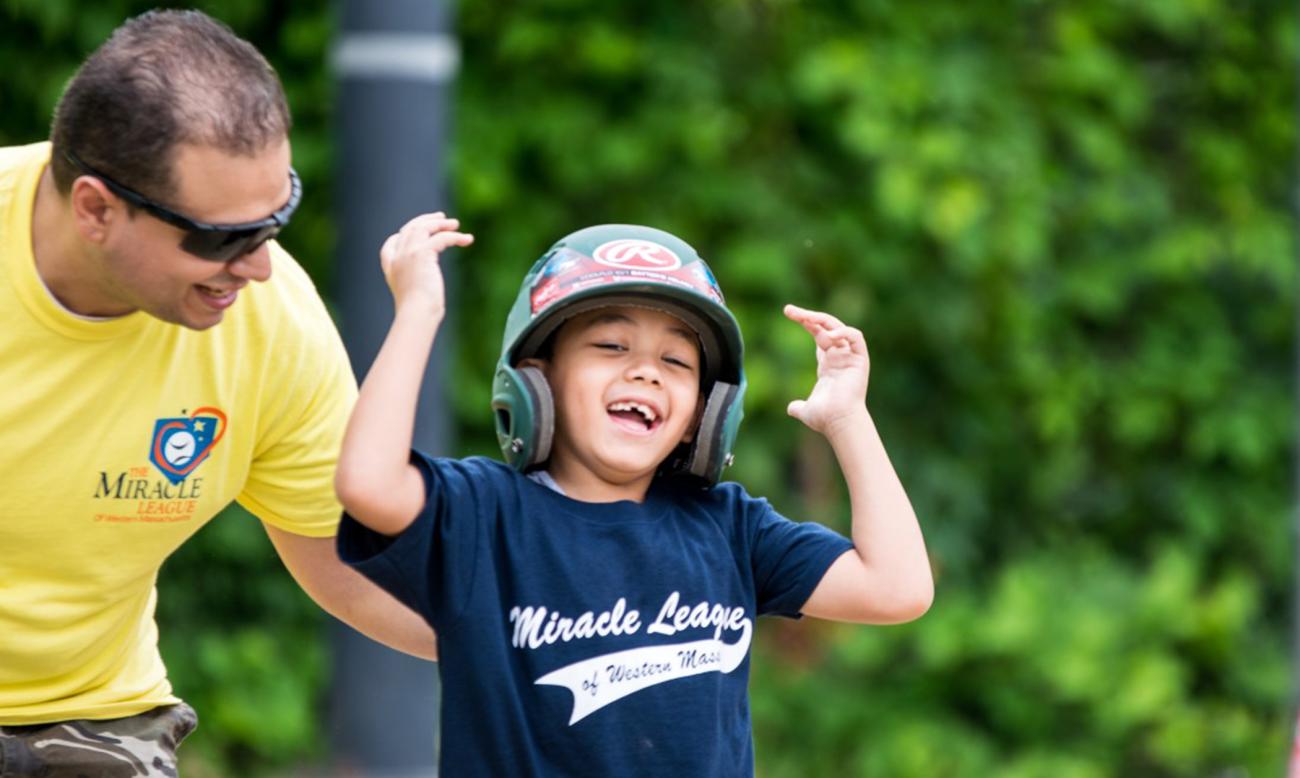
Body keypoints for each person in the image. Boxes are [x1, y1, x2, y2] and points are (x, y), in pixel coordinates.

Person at [335, 215, 934, 776]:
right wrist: (418, 310)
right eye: (611, 347)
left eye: (675, 360)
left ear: (706, 412)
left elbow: (897, 587)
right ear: (536, 380)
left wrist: (847, 418)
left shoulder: (728, 529)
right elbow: (368, 484)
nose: (646, 371)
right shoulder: (483, 516)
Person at [0, 10, 436, 775]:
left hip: (91, 718)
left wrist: (530, 639)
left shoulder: (272, 323)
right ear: (97, 208)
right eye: (220, 239)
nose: (259, 267)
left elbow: (350, 558)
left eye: (274, 221)